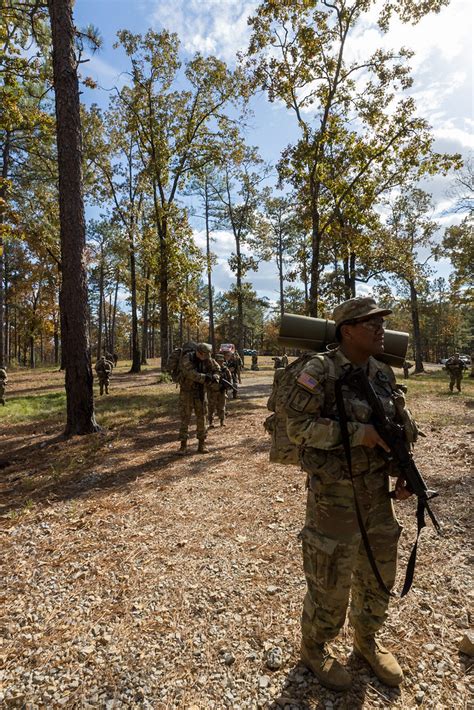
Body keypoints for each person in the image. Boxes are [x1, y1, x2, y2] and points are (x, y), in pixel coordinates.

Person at [284, 296, 416, 691]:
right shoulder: (318, 371)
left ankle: (366, 640)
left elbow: (393, 427)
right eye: (370, 323)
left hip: (377, 495)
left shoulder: (380, 373)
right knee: (331, 576)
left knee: (379, 572)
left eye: (381, 322)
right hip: (334, 497)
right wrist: (361, 434)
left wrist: (402, 472)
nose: (380, 329)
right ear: (347, 330)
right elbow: (298, 427)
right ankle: (315, 646)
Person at [177, 342, 220, 455]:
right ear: (199, 352)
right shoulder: (187, 358)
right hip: (187, 392)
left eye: (207, 355)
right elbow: (191, 374)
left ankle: (202, 444)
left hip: (200, 392)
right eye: (205, 355)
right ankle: (183, 446)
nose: (206, 358)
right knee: (185, 417)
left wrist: (215, 376)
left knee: (202, 418)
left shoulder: (207, 358)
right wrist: (206, 377)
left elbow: (217, 368)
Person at [208, 354, 232, 428]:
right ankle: (211, 422)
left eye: (221, 361)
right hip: (212, 391)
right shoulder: (211, 369)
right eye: (218, 361)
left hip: (221, 391)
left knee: (221, 407)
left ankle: (222, 421)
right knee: (211, 407)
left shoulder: (225, 369)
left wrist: (226, 387)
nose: (220, 362)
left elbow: (229, 378)